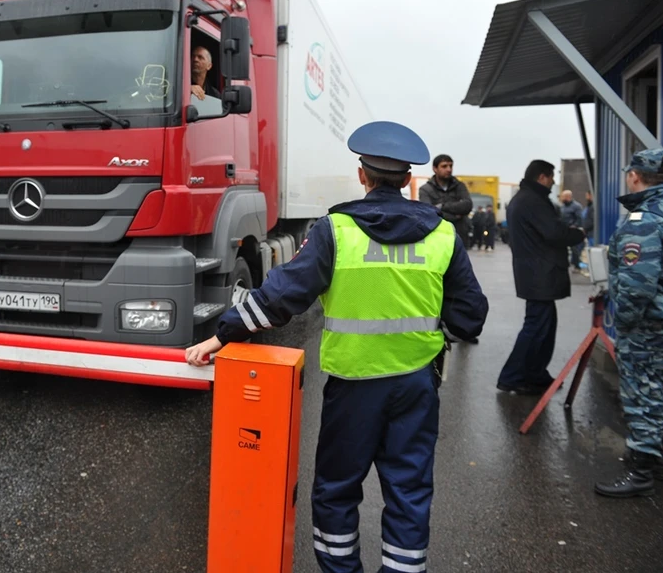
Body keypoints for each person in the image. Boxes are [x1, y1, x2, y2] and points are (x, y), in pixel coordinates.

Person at [185, 120, 488, 573]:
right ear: (409, 180)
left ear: (362, 176)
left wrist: (219, 336)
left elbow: (279, 298)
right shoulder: (443, 234)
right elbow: (470, 317)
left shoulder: (336, 230)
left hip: (353, 386)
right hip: (416, 385)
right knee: (408, 489)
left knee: (336, 489)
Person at [595, 148, 663, 498]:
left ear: (635, 176)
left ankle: (642, 470)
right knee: (653, 386)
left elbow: (637, 283)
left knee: (640, 391)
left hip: (647, 321)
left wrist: (626, 324)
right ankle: (656, 459)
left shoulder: (644, 220)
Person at [497, 160, 585, 395]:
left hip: (535, 273)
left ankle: (535, 375)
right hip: (540, 275)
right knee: (536, 327)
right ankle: (513, 376)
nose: (554, 181)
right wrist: (578, 234)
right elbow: (553, 232)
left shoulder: (522, 199)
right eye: (551, 177)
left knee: (543, 326)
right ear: (542, 177)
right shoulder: (534, 201)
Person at [418, 155, 473, 250]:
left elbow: (467, 205)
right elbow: (429, 213)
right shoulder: (425, 189)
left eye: (450, 166)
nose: (449, 169)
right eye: (444, 166)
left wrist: (442, 206)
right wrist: (456, 216)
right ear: (435, 168)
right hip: (437, 238)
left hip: (458, 237)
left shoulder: (459, 186)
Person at [559, 189, 584, 271]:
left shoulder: (576, 206)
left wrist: (575, 225)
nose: (562, 199)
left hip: (572, 231)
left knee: (575, 250)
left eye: (563, 197)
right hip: (563, 231)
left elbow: (580, 218)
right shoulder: (562, 207)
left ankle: (576, 265)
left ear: (568, 197)